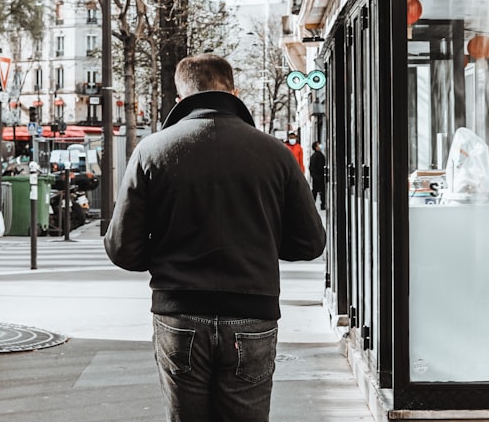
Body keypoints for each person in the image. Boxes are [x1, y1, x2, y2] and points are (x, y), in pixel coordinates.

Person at [104, 53, 326, 422]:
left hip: (179, 314)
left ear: (180, 99)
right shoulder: (276, 154)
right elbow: (310, 244)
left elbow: (122, 248)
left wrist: (164, 252)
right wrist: (264, 242)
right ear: (234, 92)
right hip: (252, 313)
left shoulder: (152, 151)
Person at [309, 140, 326, 210]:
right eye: (318, 145)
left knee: (314, 191)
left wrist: (313, 175)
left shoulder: (313, 156)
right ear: (316, 147)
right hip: (319, 176)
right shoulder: (319, 155)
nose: (320, 146)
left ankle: (312, 204)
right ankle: (322, 205)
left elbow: (310, 167)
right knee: (322, 191)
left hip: (315, 176)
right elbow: (321, 166)